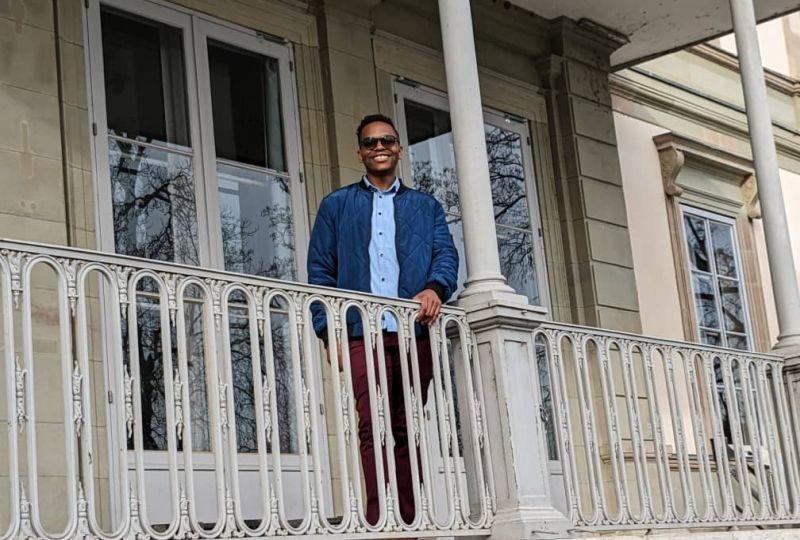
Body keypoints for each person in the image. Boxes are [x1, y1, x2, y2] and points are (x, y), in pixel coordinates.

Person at [307, 113, 459, 526]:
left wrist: (435, 288)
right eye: (371, 142)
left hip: (413, 333)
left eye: (386, 141)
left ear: (398, 149)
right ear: (360, 152)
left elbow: (446, 255)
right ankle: (381, 521)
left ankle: (409, 520)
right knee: (371, 424)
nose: (379, 147)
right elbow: (319, 273)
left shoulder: (425, 207)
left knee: (407, 423)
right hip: (360, 332)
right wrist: (327, 332)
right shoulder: (336, 206)